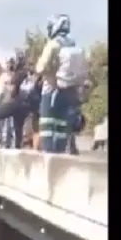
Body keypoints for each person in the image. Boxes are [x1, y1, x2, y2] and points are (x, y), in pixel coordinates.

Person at [32, 14, 87, 153]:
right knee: (62, 128)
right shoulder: (73, 44)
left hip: (51, 92)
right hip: (70, 92)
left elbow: (40, 68)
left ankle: (48, 156)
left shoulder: (53, 44)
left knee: (48, 128)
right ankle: (60, 154)